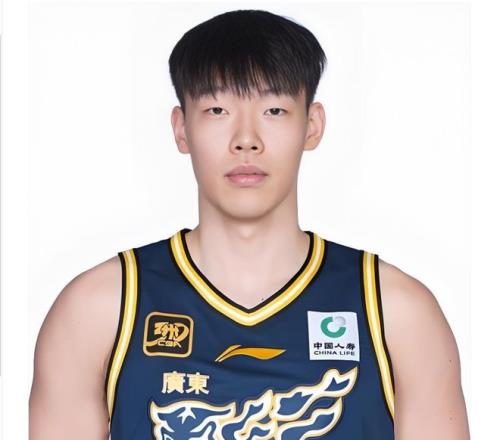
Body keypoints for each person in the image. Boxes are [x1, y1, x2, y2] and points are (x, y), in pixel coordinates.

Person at [29, 9, 470, 439]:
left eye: (273, 110)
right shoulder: (99, 310)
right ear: (181, 129)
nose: (246, 140)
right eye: (217, 110)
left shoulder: (396, 313)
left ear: (312, 125)